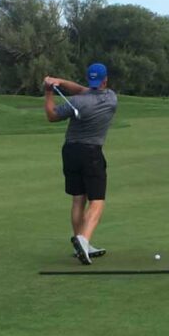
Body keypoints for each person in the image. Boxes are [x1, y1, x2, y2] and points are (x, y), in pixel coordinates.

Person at [44, 63, 118, 265]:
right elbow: (86, 91)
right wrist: (59, 83)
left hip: (70, 151)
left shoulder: (77, 102)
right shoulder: (111, 98)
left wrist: (49, 91)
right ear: (105, 80)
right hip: (91, 153)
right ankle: (83, 240)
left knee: (78, 199)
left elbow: (51, 116)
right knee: (97, 201)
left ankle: (80, 244)